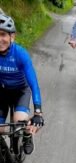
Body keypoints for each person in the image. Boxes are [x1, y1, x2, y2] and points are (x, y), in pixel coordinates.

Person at [0, 14, 44, 154]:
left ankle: (26, 135)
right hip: (2, 92)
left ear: (12, 37)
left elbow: (34, 84)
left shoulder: (20, 54)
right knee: (1, 129)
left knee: (20, 122)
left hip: (21, 91)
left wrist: (38, 112)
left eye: (3, 35)